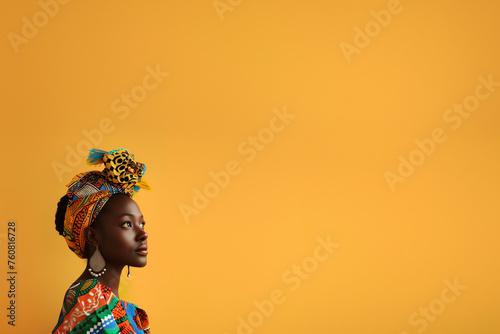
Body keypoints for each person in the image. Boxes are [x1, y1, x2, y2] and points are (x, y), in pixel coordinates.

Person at [52, 148, 152, 334]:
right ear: (93, 236)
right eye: (127, 224)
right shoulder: (90, 302)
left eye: (142, 224)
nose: (143, 234)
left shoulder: (117, 307)